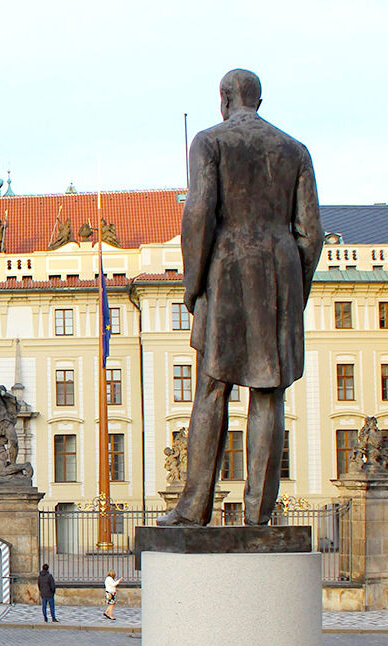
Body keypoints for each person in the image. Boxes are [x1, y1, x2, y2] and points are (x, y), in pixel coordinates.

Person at [158, 69, 322, 528]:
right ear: (259, 100)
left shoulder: (210, 142)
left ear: (225, 98)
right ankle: (259, 515)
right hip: (280, 272)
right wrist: (294, 290)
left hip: (227, 267)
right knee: (269, 394)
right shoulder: (295, 150)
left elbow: (198, 214)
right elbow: (312, 234)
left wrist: (193, 286)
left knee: (212, 388)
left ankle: (193, 508)